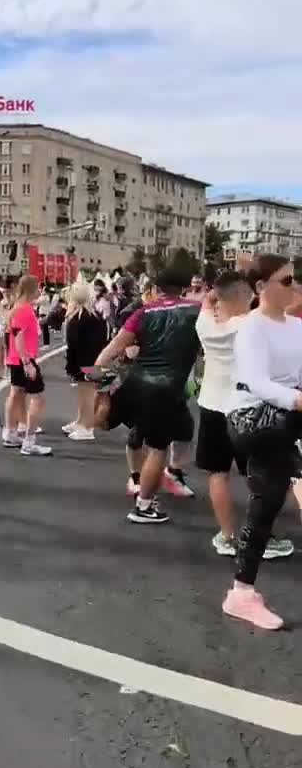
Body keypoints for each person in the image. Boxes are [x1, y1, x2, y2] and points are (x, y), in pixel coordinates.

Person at [224, 256, 302, 629]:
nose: (295, 286)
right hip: (253, 419)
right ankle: (241, 594)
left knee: (267, 503)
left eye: (295, 279)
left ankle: (241, 592)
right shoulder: (251, 328)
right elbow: (257, 383)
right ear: (260, 287)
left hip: (286, 420)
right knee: (268, 498)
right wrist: (298, 399)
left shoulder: (296, 327)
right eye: (286, 281)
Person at [194, 271, 294, 558]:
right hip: (246, 410)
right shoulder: (253, 325)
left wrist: (213, 294)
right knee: (262, 477)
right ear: (248, 295)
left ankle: (228, 537)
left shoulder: (205, 326)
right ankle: (260, 539)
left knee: (218, 473)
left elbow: (206, 303)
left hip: (211, 405)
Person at [96, 264, 201, 524]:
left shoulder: (143, 312)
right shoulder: (197, 311)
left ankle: (142, 479)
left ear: (156, 288)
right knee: (158, 448)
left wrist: (103, 393)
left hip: (136, 384)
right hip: (166, 389)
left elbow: (103, 358)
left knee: (158, 432)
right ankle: (143, 506)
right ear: (185, 288)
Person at [2, 274, 52, 456]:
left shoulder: (18, 307)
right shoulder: (24, 310)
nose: (40, 290)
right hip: (24, 359)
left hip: (16, 358)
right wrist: (27, 362)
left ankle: (10, 433)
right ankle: (29, 441)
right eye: (37, 287)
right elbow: (19, 336)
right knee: (38, 399)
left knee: (16, 393)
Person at [63, 282, 108, 440]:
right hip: (94, 360)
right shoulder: (93, 316)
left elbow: (74, 344)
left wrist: (72, 365)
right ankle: (81, 422)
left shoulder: (80, 318)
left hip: (87, 362)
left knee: (87, 394)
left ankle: (87, 427)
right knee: (85, 393)